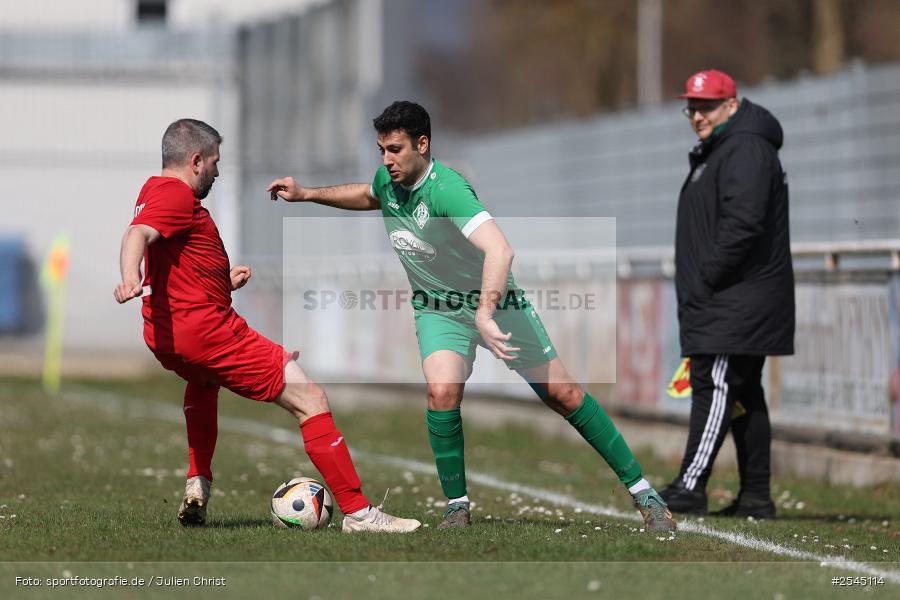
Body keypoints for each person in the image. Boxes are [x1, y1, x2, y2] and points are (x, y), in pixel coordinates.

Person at [267, 101, 676, 532]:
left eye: (395, 149)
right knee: (442, 392)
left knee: (565, 396)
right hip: (438, 310)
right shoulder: (388, 181)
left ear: (422, 144)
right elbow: (369, 195)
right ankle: (457, 506)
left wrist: (484, 313)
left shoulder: (448, 190)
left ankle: (645, 493)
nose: (386, 160)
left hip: (498, 306)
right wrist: (308, 193)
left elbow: (500, 249)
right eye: (381, 149)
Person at [114, 118, 420, 533]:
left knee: (203, 383)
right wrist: (130, 275)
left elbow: (174, 261)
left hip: (168, 335)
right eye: (216, 163)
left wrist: (222, 282)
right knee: (310, 398)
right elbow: (138, 234)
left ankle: (197, 482)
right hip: (208, 332)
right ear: (196, 160)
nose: (218, 172)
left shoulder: (152, 189)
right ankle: (360, 513)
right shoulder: (174, 194)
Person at [660, 70, 795, 518]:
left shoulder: (745, 148)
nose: (697, 115)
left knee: (714, 384)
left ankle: (691, 484)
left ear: (732, 105)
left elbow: (743, 224)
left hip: (735, 297)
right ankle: (756, 497)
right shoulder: (721, 147)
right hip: (729, 297)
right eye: (692, 107)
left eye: (707, 106)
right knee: (744, 393)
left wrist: (706, 277)